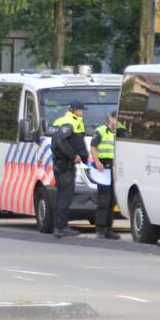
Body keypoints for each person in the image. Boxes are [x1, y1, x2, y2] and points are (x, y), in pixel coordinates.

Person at [50, 100, 89, 239]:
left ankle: (60, 226)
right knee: (65, 196)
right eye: (80, 110)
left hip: (63, 164)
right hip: (65, 165)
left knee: (63, 196)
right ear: (73, 110)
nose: (82, 112)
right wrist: (73, 156)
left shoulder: (67, 120)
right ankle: (60, 228)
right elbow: (60, 141)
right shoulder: (68, 121)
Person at [90, 111, 121, 240]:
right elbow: (93, 147)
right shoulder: (101, 131)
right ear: (110, 118)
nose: (117, 122)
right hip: (103, 168)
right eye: (115, 119)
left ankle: (109, 228)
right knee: (104, 199)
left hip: (114, 168)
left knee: (112, 200)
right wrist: (97, 162)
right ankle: (100, 228)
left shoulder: (119, 133)